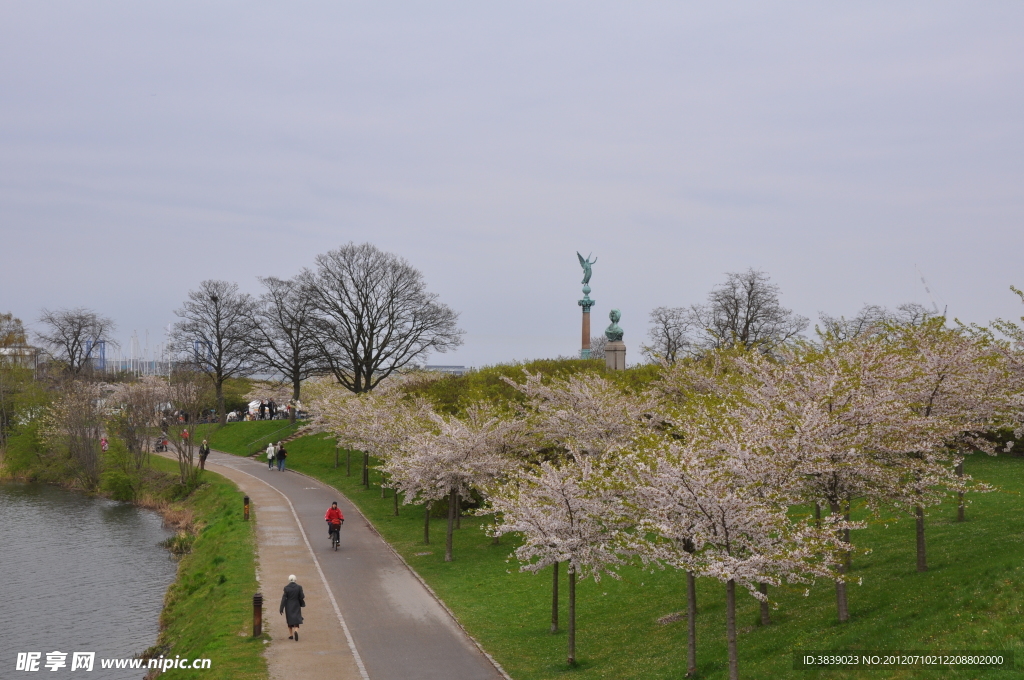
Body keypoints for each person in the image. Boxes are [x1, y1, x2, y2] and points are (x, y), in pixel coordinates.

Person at [279, 574, 304, 641]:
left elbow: (284, 599)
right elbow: (302, 596)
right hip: (296, 604)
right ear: (295, 579)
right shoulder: (299, 587)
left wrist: (281, 608)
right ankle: (296, 630)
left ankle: (291, 635)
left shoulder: (286, 588)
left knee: (289, 620)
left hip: (288, 605)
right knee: (296, 618)